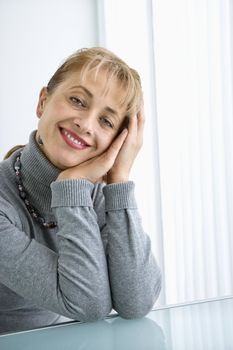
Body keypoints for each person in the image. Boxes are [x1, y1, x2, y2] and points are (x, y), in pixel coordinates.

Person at [0, 47, 161, 333]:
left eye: (106, 121)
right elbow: (88, 305)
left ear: (118, 142)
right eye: (77, 100)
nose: (85, 124)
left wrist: (120, 179)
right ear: (42, 102)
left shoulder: (96, 197)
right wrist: (70, 187)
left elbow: (137, 301)